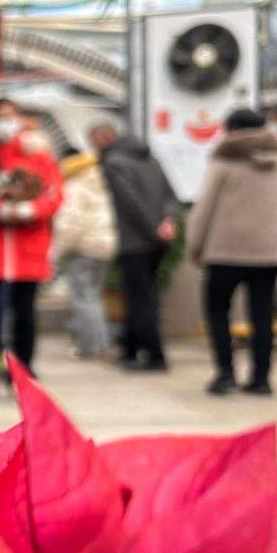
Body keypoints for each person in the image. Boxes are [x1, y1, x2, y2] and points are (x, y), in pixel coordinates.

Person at [188, 108, 277, 396]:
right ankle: (261, 379)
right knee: (262, 314)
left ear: (231, 129)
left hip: (225, 251)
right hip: (269, 254)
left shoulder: (224, 162)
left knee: (217, 311)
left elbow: (203, 210)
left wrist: (195, 247)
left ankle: (225, 374)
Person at [0, 98, 63, 372]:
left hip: (27, 249)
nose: (5, 122)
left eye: (10, 115)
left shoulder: (38, 156)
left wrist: (30, 210)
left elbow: (54, 195)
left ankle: (22, 369)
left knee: (24, 314)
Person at [88, 120, 180, 371]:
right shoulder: (150, 159)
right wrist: (167, 223)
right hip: (158, 239)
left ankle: (155, 355)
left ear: (104, 137)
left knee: (140, 299)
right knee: (143, 295)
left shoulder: (113, 163)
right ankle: (129, 349)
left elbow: (129, 203)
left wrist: (151, 231)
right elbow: (170, 196)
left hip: (134, 240)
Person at [53, 146, 117, 358]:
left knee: (82, 298)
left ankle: (91, 347)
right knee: (93, 296)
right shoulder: (99, 181)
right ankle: (101, 343)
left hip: (83, 247)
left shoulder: (74, 186)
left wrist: (55, 251)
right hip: (104, 246)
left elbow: (70, 224)